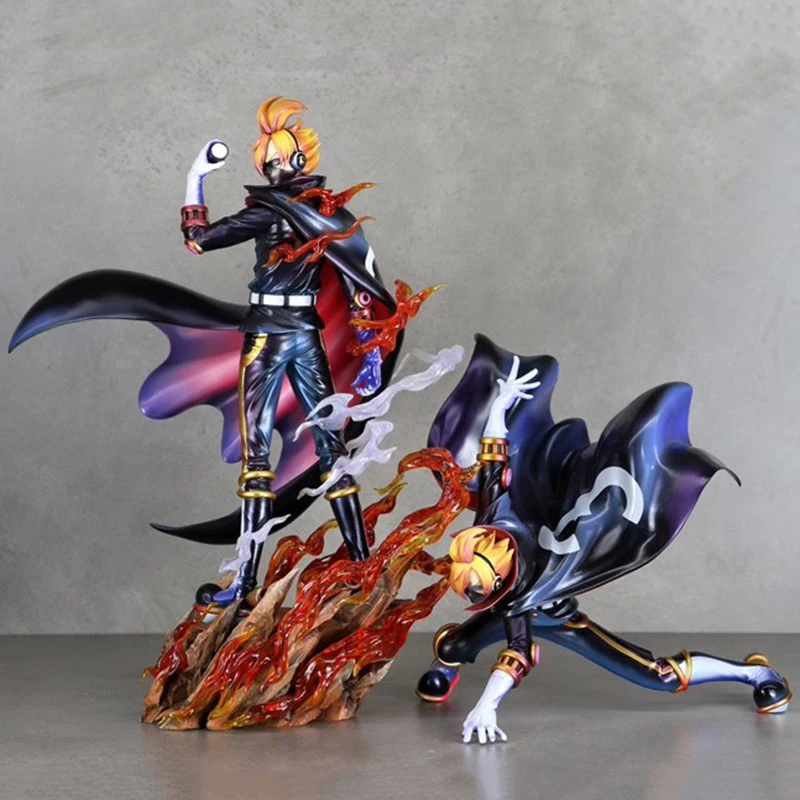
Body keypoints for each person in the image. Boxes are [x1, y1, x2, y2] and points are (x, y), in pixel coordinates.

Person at [416, 335, 791, 744]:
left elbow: (518, 654)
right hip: (518, 595)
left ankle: (756, 673)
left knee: (658, 675)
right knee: (452, 646)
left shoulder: (518, 594)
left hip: (557, 615)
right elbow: (494, 452)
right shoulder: (491, 518)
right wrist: (501, 405)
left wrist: (487, 705)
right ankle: (448, 660)